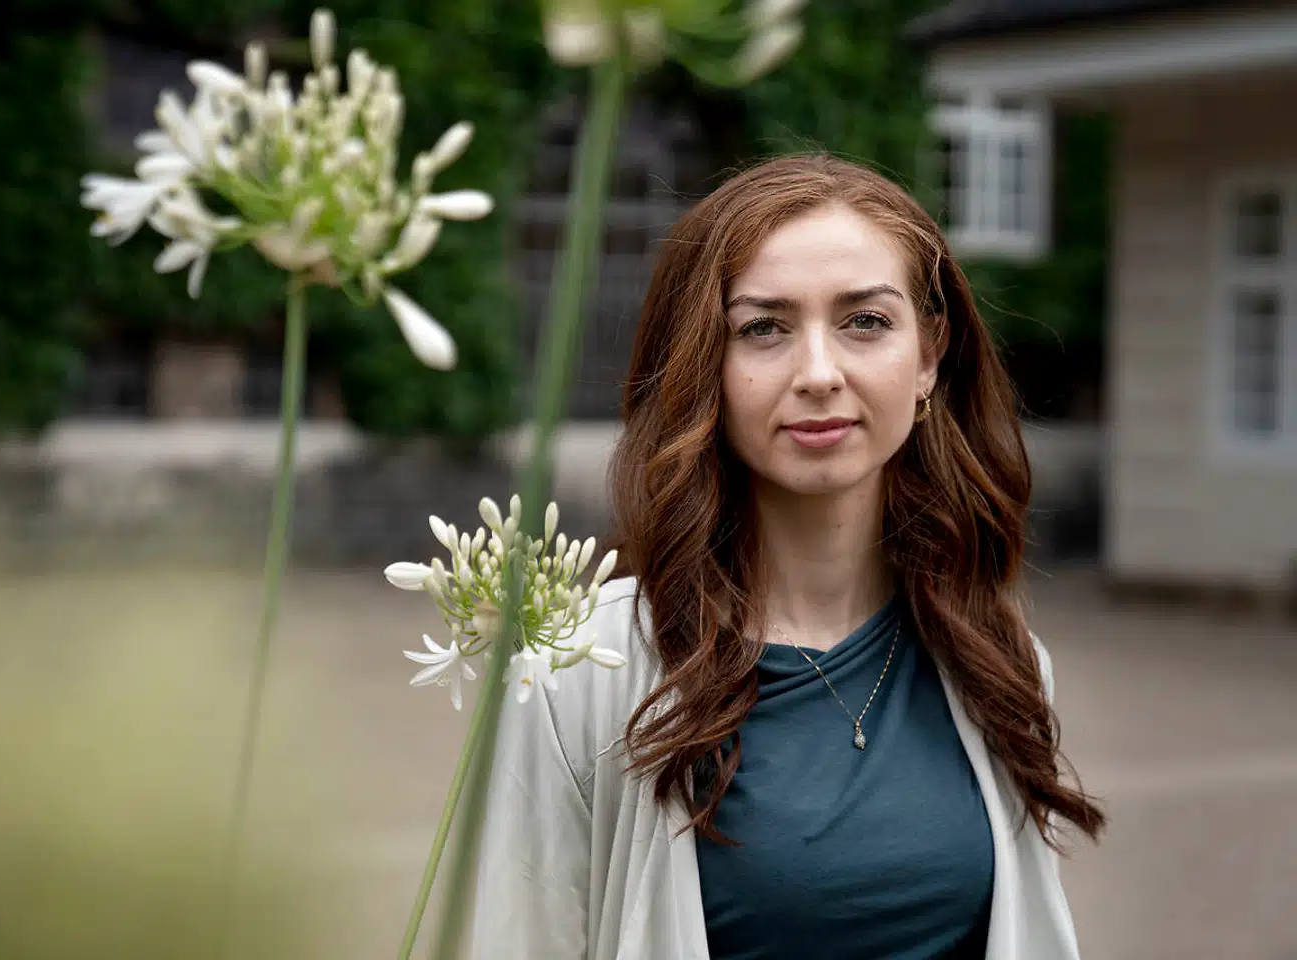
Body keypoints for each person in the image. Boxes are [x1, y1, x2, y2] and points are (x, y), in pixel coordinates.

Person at [471, 154, 1105, 959]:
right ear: (707, 364)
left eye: (865, 322)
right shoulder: (577, 669)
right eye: (762, 328)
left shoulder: (1001, 665)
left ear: (929, 355)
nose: (817, 374)